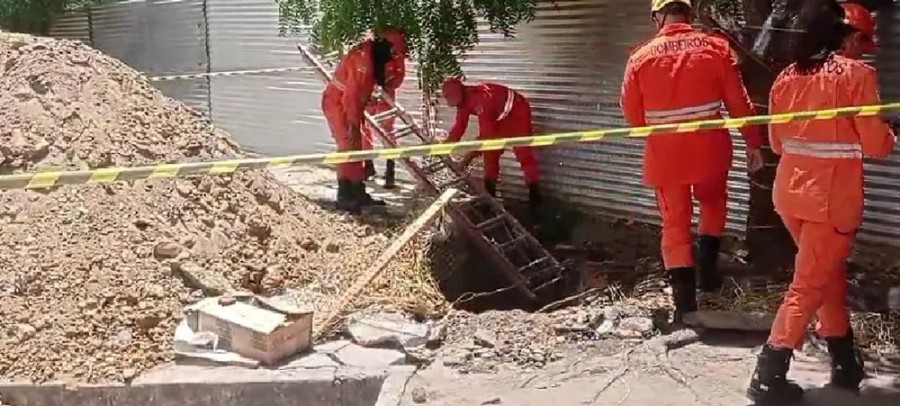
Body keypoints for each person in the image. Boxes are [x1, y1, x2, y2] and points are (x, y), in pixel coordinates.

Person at [746, 2, 895, 404]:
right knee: (809, 285)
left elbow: (778, 141)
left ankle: (845, 363)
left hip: (790, 194)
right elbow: (877, 146)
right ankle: (767, 376)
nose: (862, 50)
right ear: (845, 36)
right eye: (860, 40)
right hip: (830, 200)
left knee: (825, 275)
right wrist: (888, 132)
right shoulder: (856, 75)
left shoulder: (785, 78)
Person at [620, 0, 764, 322]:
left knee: (674, 224)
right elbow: (739, 103)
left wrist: (660, 131)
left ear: (658, 17)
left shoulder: (639, 57)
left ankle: (685, 308)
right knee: (713, 204)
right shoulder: (716, 48)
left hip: (666, 154)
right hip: (710, 149)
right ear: (690, 14)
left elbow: (632, 116)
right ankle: (709, 277)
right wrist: (753, 143)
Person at [321, 28, 407, 213]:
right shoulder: (364, 60)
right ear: (385, 46)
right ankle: (345, 195)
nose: (394, 58)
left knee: (356, 147)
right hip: (338, 103)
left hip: (351, 104)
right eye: (393, 53)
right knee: (347, 146)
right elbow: (350, 97)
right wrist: (352, 124)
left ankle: (358, 193)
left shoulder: (375, 55)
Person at [441, 77, 542, 208]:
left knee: (523, 154)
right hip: (499, 117)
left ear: (457, 94)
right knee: (490, 154)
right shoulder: (463, 102)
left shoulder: (482, 100)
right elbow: (458, 128)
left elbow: (486, 136)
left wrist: (468, 158)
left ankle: (535, 199)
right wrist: (442, 147)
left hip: (517, 111)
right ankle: (490, 199)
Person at [361, 55, 404, 189]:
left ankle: (390, 173)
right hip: (369, 97)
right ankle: (369, 167)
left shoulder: (395, 53)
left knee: (388, 134)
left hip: (385, 97)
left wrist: (387, 85)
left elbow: (399, 75)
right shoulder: (368, 49)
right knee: (364, 131)